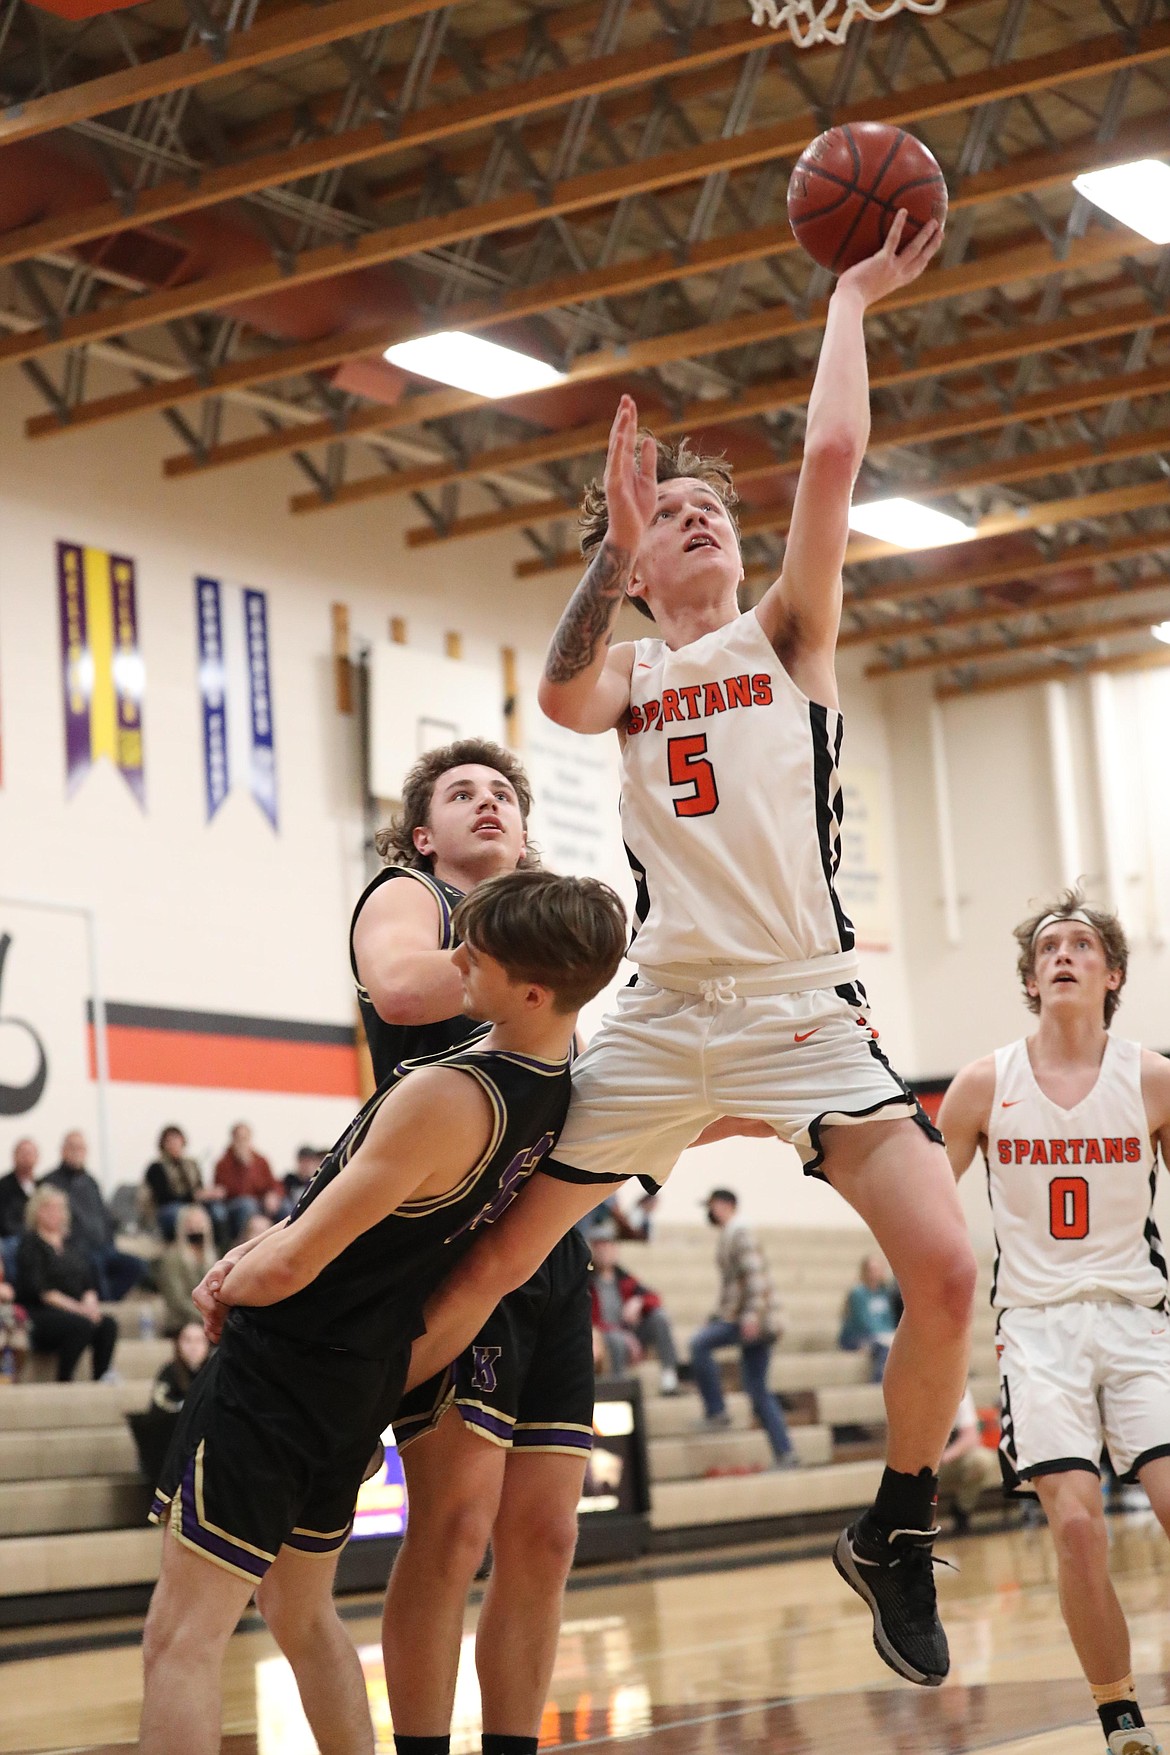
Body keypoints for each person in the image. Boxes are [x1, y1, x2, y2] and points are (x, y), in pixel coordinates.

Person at [398, 211, 971, 1691]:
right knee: (500, 1252)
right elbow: (556, 688)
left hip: (803, 1010)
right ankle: (345, 1405)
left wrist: (846, 297)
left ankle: (896, 1524)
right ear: (647, 570)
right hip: (658, 1014)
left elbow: (833, 463)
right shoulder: (637, 671)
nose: (703, 516)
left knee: (948, 1268)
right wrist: (606, 534)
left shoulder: (787, 632)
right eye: (679, 515)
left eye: (717, 507)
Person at [138, 871, 626, 1755]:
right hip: (360, 1381)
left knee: (180, 1636)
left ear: (529, 988)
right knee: (301, 1611)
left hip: (285, 1367)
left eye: (478, 950)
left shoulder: (446, 1091)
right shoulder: (563, 1095)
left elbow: (294, 1261)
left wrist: (224, 1284)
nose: (457, 957)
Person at [350, 738, 603, 1755]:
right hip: (447, 1243)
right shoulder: (408, 894)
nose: (487, 804)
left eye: (503, 793)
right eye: (462, 794)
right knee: (451, 1528)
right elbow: (406, 992)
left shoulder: (549, 938)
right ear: (426, 832)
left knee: (545, 1535)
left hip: (546, 1244)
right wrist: (538, 966)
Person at [940, 890, 1170, 1755]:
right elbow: (922, 1206)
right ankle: (1120, 1715)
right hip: (1035, 1328)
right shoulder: (982, 1083)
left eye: (1081, 944)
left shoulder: (1151, 1077)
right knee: (1075, 1524)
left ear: (1112, 973)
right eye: (1048, 947)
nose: (1063, 954)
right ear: (1032, 980)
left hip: (1138, 1322)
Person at [688, 1189, 793, 1464]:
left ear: (725, 1205)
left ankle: (717, 1411)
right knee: (757, 1390)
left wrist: (751, 1315)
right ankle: (786, 1454)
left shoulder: (739, 1231)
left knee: (698, 1345)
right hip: (749, 1316)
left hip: (751, 1319)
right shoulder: (732, 1233)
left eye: (711, 1206)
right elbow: (735, 1286)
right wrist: (718, 1316)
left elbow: (754, 1275)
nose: (709, 1213)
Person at [15, 1186, 118, 1381]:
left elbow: (87, 1283)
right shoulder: (30, 1244)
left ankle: (101, 1376)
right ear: (37, 1211)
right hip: (39, 1312)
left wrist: (89, 1305)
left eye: (59, 1208)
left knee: (107, 1324)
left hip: (74, 1310)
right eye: (49, 1208)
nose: (56, 1213)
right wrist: (79, 1310)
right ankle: (64, 1379)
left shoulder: (71, 1247)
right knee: (80, 1325)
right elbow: (41, 1291)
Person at [42, 1130, 147, 1302]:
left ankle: (110, 1300)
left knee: (137, 1266)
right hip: (75, 1249)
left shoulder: (91, 1181)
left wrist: (110, 1242)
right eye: (72, 1147)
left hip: (104, 1247)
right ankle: (104, 1304)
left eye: (81, 1148)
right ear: (63, 1150)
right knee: (94, 1264)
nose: (77, 1152)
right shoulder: (51, 1182)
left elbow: (104, 1216)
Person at [589, 1229, 680, 1393]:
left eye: (608, 1246)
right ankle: (619, 1389)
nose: (604, 1251)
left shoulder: (624, 1278)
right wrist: (623, 1336)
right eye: (599, 1247)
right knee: (616, 1339)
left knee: (659, 1317)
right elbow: (591, 1319)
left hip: (631, 1332)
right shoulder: (588, 1283)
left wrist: (639, 1301)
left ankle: (669, 1376)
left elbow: (654, 1297)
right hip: (604, 1336)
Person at [144, 1126, 226, 1244]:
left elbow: (199, 1187)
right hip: (168, 1208)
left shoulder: (191, 1164)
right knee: (180, 1214)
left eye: (176, 1140)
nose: (174, 1144)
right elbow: (163, 1197)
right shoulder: (156, 1167)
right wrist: (194, 1196)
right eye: (169, 1141)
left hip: (194, 1204)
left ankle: (221, 1248)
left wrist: (209, 1194)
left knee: (218, 1211)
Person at [936, 1386, 999, 1536]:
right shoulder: (910, 1385)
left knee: (981, 1460)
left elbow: (971, 1437)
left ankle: (962, 1509)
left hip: (945, 1458)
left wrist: (944, 1458)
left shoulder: (957, 1385)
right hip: (916, 1457)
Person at [155, 1206, 217, 1336]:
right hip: (181, 1322)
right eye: (191, 1224)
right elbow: (177, 1300)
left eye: (200, 1224)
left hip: (209, 1320)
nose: (196, 1228)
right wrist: (209, 1316)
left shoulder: (212, 1257)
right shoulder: (172, 1257)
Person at [212, 1123, 283, 1236]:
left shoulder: (261, 1160)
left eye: (245, 1138)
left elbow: (273, 1183)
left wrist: (273, 1194)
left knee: (284, 1206)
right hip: (235, 1206)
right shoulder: (223, 1163)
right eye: (239, 1139)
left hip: (259, 1203)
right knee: (247, 1204)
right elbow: (230, 1191)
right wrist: (244, 1167)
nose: (242, 1143)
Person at [839, 1253, 899, 1383]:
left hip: (878, 1334)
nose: (875, 1274)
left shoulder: (884, 1293)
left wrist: (890, 1334)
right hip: (856, 1336)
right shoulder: (857, 1293)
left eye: (877, 1270)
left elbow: (888, 1319)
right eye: (872, 1270)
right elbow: (862, 1321)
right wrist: (882, 1336)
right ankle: (878, 1382)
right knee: (883, 1348)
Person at [0, 1136, 38, 1279]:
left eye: (30, 1153)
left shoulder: (42, 1185)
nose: (26, 1157)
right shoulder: (4, 1185)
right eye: (23, 1153)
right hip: (14, 1237)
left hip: (38, 1237)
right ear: (14, 1156)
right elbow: (5, 1221)